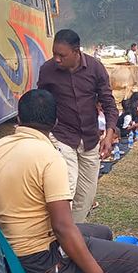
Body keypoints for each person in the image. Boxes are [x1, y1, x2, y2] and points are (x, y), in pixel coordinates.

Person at [0, 90, 138, 273]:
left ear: (18, 118)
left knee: (102, 232)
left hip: (5, 249)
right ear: (56, 122)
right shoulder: (49, 157)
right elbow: (62, 227)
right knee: (134, 259)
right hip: (37, 259)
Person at [37, 29, 117, 224]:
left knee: (87, 194)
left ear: (76, 52)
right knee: (67, 187)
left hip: (90, 138)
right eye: (54, 53)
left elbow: (108, 101)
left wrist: (109, 134)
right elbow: (40, 100)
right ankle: (56, 237)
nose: (56, 59)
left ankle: (74, 236)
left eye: (61, 55)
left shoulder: (95, 68)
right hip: (62, 135)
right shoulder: (47, 70)